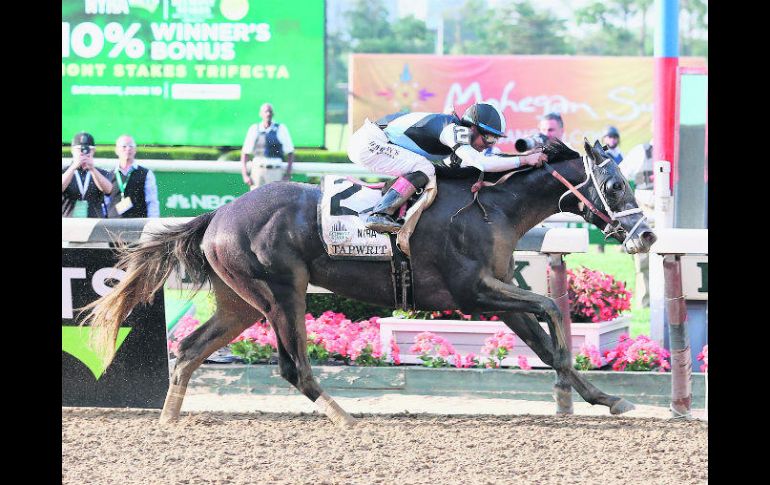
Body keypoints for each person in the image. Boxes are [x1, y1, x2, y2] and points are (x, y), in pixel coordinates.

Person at [347, 102, 546, 233]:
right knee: (424, 167)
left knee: (429, 172)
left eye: (495, 139)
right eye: (489, 137)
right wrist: (524, 160)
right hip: (369, 143)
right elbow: (483, 163)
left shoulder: (456, 134)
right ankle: (380, 214)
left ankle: (398, 212)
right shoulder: (453, 130)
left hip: (375, 143)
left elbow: (468, 169)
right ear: (473, 128)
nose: (489, 144)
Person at [620, 136, 655, 309]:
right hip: (646, 211)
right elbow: (620, 175)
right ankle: (645, 302)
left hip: (675, 208)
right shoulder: (642, 151)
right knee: (643, 260)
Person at [240, 103, 295, 189]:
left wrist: (287, 175)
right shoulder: (254, 128)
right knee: (256, 201)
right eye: (266, 111)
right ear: (261, 114)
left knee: (275, 201)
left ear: (273, 114)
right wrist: (245, 175)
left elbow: (290, 152)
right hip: (257, 172)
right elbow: (245, 153)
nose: (268, 114)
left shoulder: (281, 128)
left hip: (275, 172)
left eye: (270, 111)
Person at [62, 132, 114, 218]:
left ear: (93, 151)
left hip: (94, 223)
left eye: (87, 149)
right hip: (69, 223)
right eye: (79, 149)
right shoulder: (65, 172)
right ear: (72, 150)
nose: (83, 152)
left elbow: (108, 190)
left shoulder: (100, 173)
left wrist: (92, 169)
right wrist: (73, 167)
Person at [106, 134, 160, 218]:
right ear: (116, 150)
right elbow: (106, 202)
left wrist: (153, 223)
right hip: (113, 225)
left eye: (131, 146)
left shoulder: (146, 174)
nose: (128, 149)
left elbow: (152, 202)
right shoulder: (109, 175)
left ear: (135, 150)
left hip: (138, 225)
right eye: (124, 146)